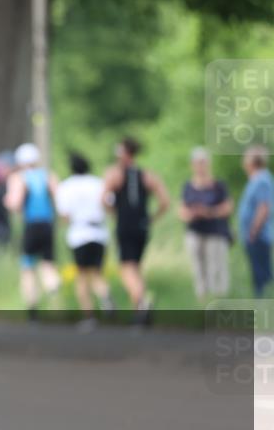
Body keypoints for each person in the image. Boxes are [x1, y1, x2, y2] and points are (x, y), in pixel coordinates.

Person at [102, 136, 169, 324]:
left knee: (126, 268)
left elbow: (103, 198)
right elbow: (164, 201)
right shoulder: (147, 175)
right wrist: (151, 218)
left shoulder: (115, 174)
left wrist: (115, 213)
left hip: (125, 225)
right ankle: (138, 313)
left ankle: (142, 302)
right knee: (136, 268)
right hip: (142, 226)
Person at [56, 152, 113, 330]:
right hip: (99, 232)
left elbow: (64, 215)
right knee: (96, 272)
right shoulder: (98, 183)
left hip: (79, 233)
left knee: (81, 276)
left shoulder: (66, 187)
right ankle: (105, 297)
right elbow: (109, 205)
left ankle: (88, 316)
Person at [4, 143, 61, 319]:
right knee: (48, 264)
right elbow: (59, 198)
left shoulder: (19, 178)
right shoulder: (48, 176)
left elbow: (15, 203)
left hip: (31, 225)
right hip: (48, 224)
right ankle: (53, 288)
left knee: (28, 267)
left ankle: (32, 307)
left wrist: (8, 201)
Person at [179, 148, 233, 300]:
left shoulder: (218, 185)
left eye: (203, 162)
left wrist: (209, 212)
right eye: (197, 163)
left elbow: (228, 207)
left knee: (216, 266)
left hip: (215, 231)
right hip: (195, 231)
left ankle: (219, 297)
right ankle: (202, 298)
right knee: (198, 266)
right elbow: (182, 210)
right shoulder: (188, 186)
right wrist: (192, 214)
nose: (200, 166)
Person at [238, 145, 273, 297]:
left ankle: (262, 300)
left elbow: (263, 208)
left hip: (258, 235)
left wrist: (253, 231)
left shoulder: (262, 180)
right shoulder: (257, 179)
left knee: (262, 271)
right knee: (258, 268)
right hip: (254, 234)